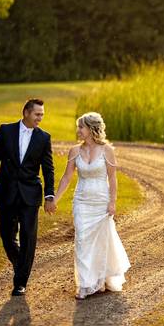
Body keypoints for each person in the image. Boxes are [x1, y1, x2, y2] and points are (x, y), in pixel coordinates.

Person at [0, 98, 56, 296]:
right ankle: (19, 262)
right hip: (6, 191)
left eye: (42, 115)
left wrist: (50, 195)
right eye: (37, 114)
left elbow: (48, 169)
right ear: (26, 112)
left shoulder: (44, 138)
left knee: (28, 237)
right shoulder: (6, 131)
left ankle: (20, 281)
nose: (40, 118)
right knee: (6, 234)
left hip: (30, 194)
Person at [53, 112, 130, 299]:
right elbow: (66, 177)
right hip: (81, 201)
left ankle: (100, 278)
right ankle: (86, 284)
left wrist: (112, 202)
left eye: (81, 127)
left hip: (101, 202)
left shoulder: (107, 150)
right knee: (82, 240)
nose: (78, 130)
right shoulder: (74, 151)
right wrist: (55, 199)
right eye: (78, 127)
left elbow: (112, 178)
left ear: (91, 128)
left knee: (101, 242)